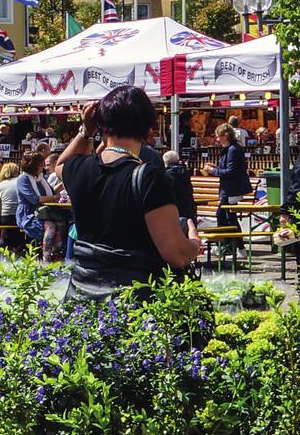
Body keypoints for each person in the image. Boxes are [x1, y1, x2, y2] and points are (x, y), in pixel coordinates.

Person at [58, 87, 203, 299]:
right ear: (148, 131)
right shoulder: (149, 177)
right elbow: (176, 254)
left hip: (81, 298)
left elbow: (60, 164)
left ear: (101, 125)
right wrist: (194, 242)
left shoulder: (79, 168)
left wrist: (86, 131)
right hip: (134, 308)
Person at [203, 123, 252, 231]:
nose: (217, 139)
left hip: (231, 189)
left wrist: (212, 170)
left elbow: (231, 171)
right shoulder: (232, 148)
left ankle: (227, 244)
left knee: (222, 216)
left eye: (219, 136)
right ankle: (236, 245)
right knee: (229, 217)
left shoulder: (232, 150)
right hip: (230, 189)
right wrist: (216, 167)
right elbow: (230, 168)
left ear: (225, 136)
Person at [15, 151, 57, 253]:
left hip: (43, 212)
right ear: (33, 166)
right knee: (51, 226)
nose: (43, 167)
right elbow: (34, 199)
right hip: (28, 214)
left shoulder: (40, 179)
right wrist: (55, 197)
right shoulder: (23, 179)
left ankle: (58, 253)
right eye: (41, 164)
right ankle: (46, 256)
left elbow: (51, 192)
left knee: (63, 223)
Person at [162, 150, 199, 237]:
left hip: (173, 212)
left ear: (165, 163)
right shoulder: (185, 173)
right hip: (188, 210)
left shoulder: (165, 176)